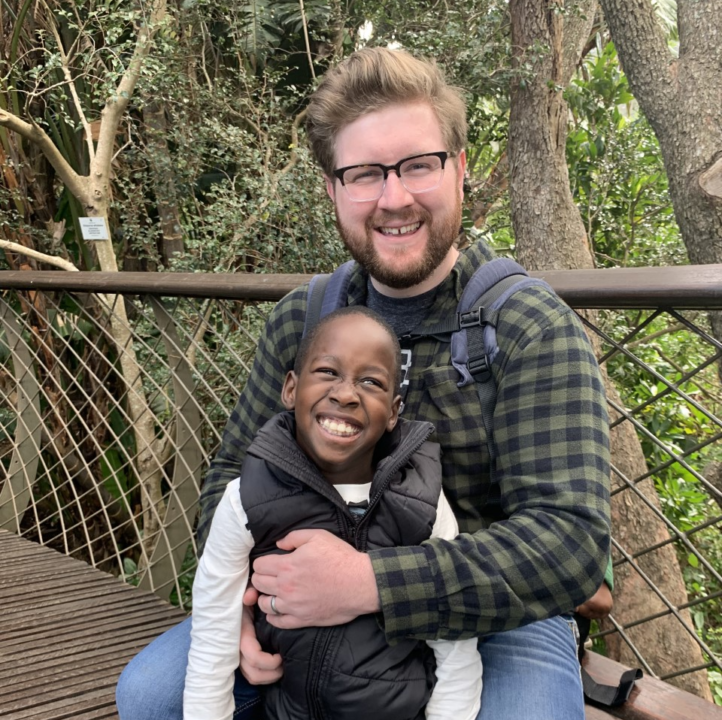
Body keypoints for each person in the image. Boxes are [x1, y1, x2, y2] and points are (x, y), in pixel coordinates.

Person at [117, 47, 611, 720]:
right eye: (366, 174)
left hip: (494, 617)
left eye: (418, 165)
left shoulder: (527, 326)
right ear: (332, 189)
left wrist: (369, 583)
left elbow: (568, 544)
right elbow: (229, 478)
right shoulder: (304, 318)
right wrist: (235, 600)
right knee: (149, 697)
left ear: (460, 169)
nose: (395, 197)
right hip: (302, 595)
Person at [184, 307, 482, 720]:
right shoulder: (247, 497)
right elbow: (214, 627)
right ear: (291, 388)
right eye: (327, 372)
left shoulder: (424, 502)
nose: (345, 394)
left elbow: (454, 637)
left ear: (394, 412)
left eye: (371, 381)